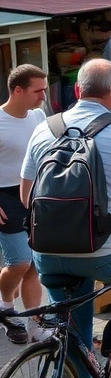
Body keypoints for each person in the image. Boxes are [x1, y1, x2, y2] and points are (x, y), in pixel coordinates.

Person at [19, 59, 111, 378]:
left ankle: (78, 365)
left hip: (47, 255)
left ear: (77, 90)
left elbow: (27, 198)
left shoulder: (44, 127)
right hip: (105, 252)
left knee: (75, 332)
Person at [0, 65, 49, 345]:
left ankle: (35, 325)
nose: (43, 96)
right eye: (38, 90)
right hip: (5, 196)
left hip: (35, 192)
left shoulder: (39, 116)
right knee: (19, 261)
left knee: (34, 266)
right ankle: (6, 306)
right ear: (18, 90)